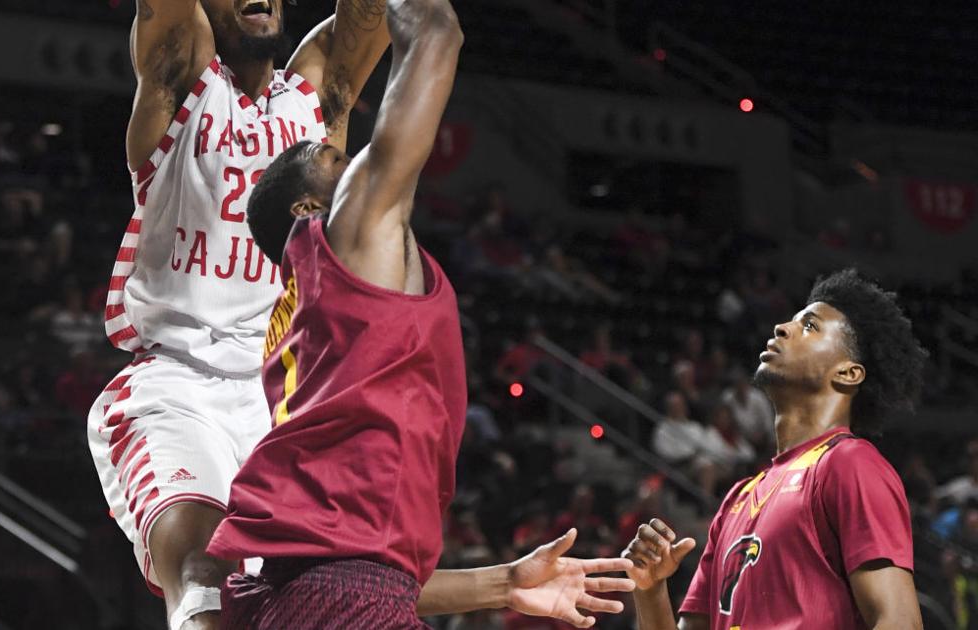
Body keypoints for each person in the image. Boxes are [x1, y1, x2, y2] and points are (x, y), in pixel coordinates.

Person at [208, 1, 635, 626]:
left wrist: (504, 582)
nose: (349, 158)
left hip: (308, 598)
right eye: (332, 161)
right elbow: (437, 33)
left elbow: (352, 567)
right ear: (306, 210)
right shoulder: (346, 237)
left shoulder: (305, 322)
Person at [86, 0, 394, 627]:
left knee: (341, 594)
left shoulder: (314, 97)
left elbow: (386, 13)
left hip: (283, 396)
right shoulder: (184, 72)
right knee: (205, 573)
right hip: (177, 385)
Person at [623, 269, 926, 629]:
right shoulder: (738, 497)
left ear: (848, 373)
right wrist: (651, 590)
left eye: (810, 326)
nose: (783, 328)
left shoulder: (849, 464)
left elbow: (899, 621)